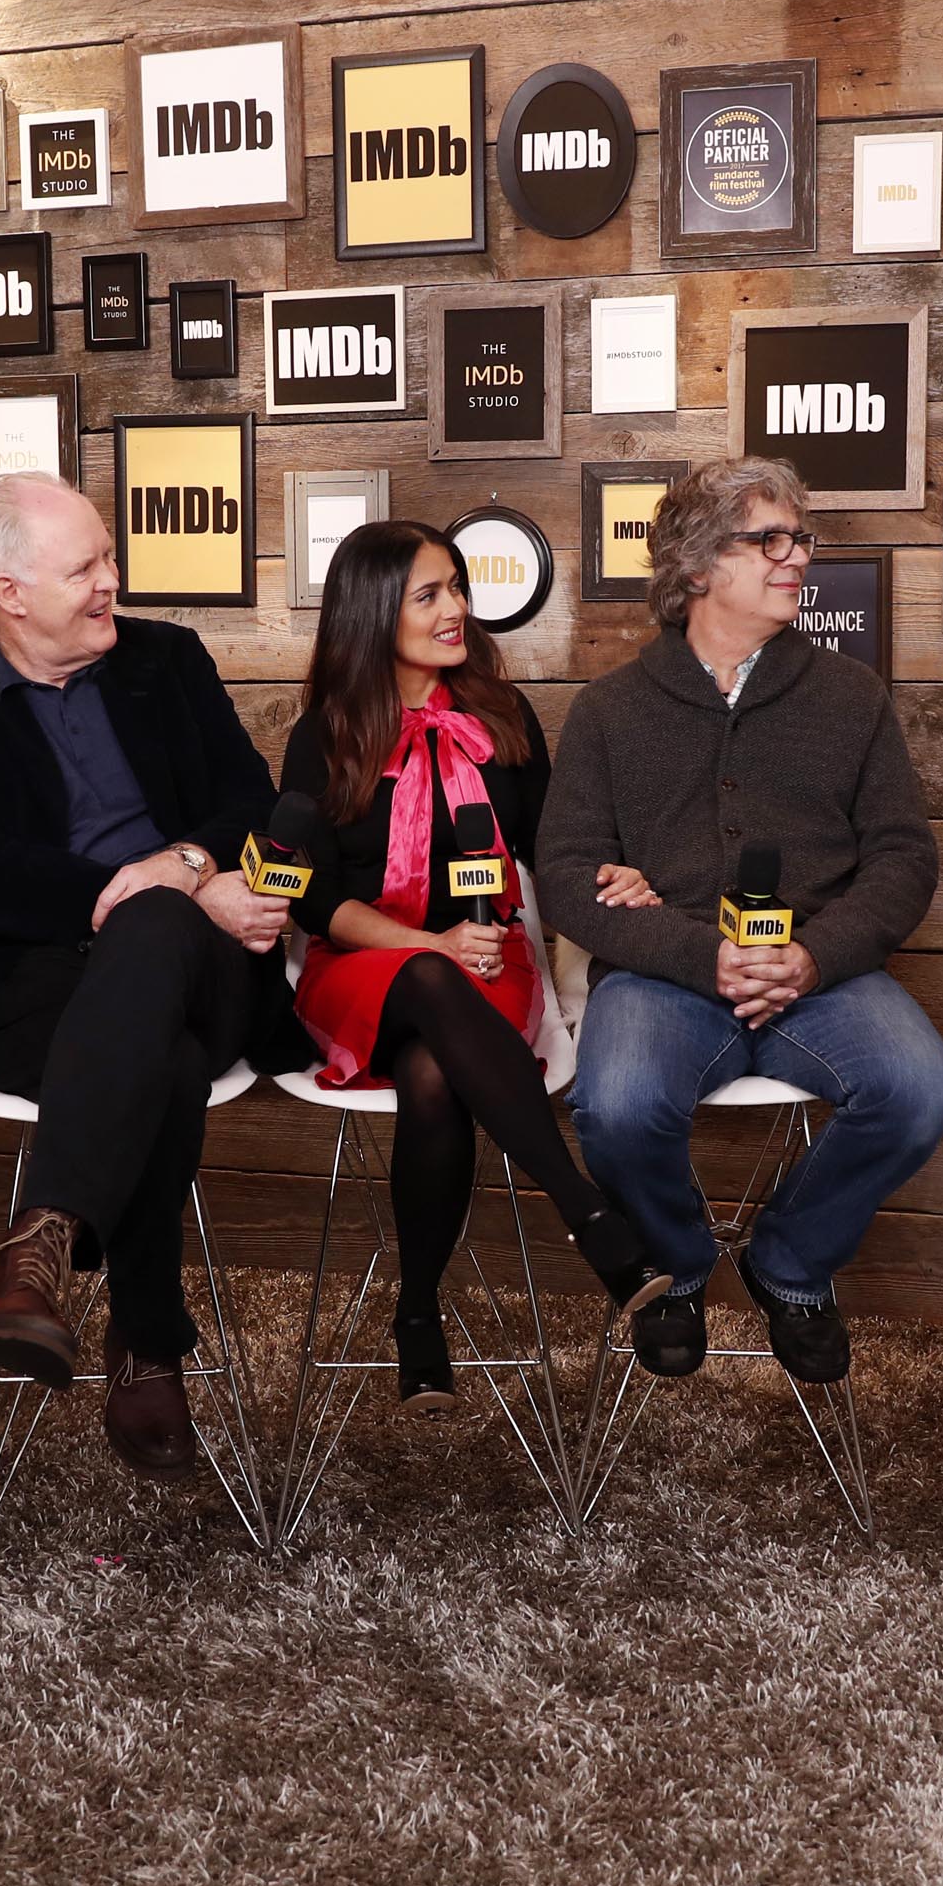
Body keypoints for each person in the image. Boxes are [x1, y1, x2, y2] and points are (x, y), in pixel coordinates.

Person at [0, 471, 307, 1479]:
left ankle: (40, 1238)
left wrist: (186, 872)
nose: (111, 581)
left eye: (108, 558)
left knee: (158, 934)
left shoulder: (169, 661)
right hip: (29, 979)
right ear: (9, 592)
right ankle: (147, 1340)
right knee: (152, 1063)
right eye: (86, 567)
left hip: (203, 961)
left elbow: (248, 795)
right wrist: (141, 886)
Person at [535, 457, 943, 1385]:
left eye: (798, 538)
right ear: (695, 568)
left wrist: (812, 956)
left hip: (825, 978)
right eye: (767, 539)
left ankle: (790, 1265)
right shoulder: (610, 712)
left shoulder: (851, 698)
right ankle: (679, 1267)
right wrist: (700, 957)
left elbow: (903, 858)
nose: (795, 556)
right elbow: (565, 878)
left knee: (920, 1089)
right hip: (666, 974)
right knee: (615, 1106)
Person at [278, 521, 673, 1410]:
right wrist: (430, 947)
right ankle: (588, 1211)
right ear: (375, 613)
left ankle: (417, 1316)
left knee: (431, 1072)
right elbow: (312, 902)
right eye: (430, 594)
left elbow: (552, 847)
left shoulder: (501, 715)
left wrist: (608, 874)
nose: (458, 607)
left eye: (457, 586)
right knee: (428, 983)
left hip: (492, 961)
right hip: (365, 970)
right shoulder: (326, 734)